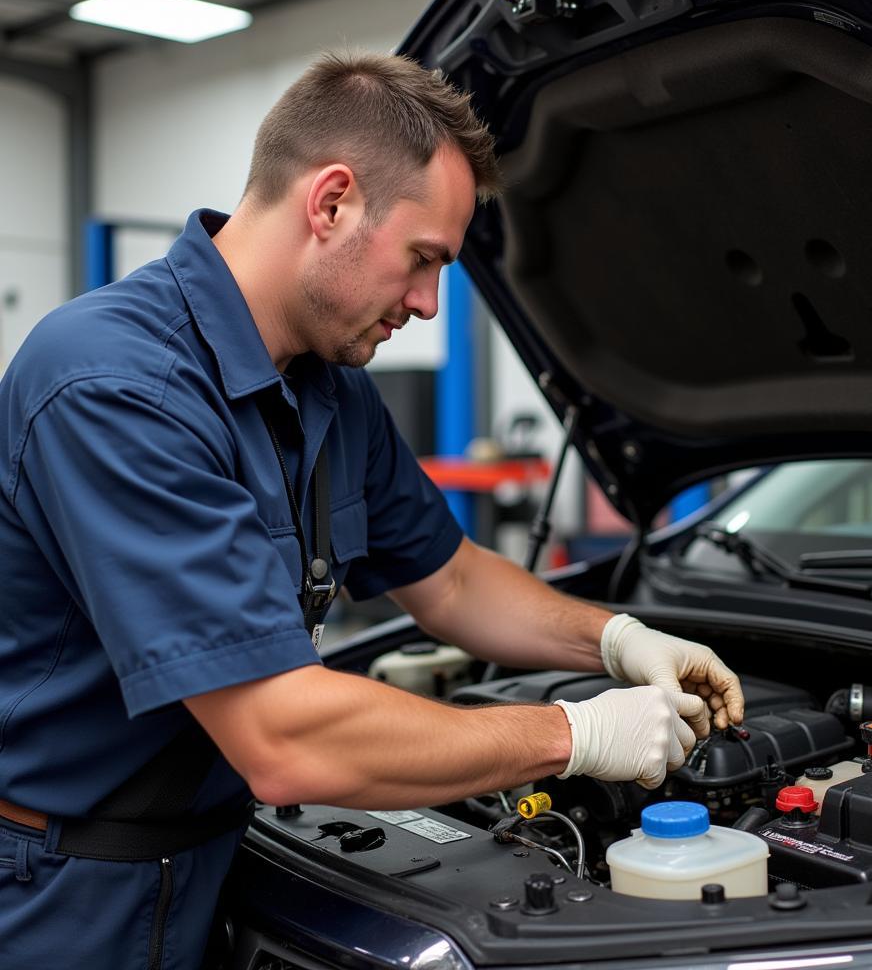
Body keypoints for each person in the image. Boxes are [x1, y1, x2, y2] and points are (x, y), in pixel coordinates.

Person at [0, 52, 743, 966]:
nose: (430, 304)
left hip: (216, 856)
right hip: (67, 893)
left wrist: (618, 639)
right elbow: (282, 737)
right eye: (423, 259)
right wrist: (576, 733)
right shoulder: (114, 385)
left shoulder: (330, 390)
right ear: (332, 202)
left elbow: (455, 580)